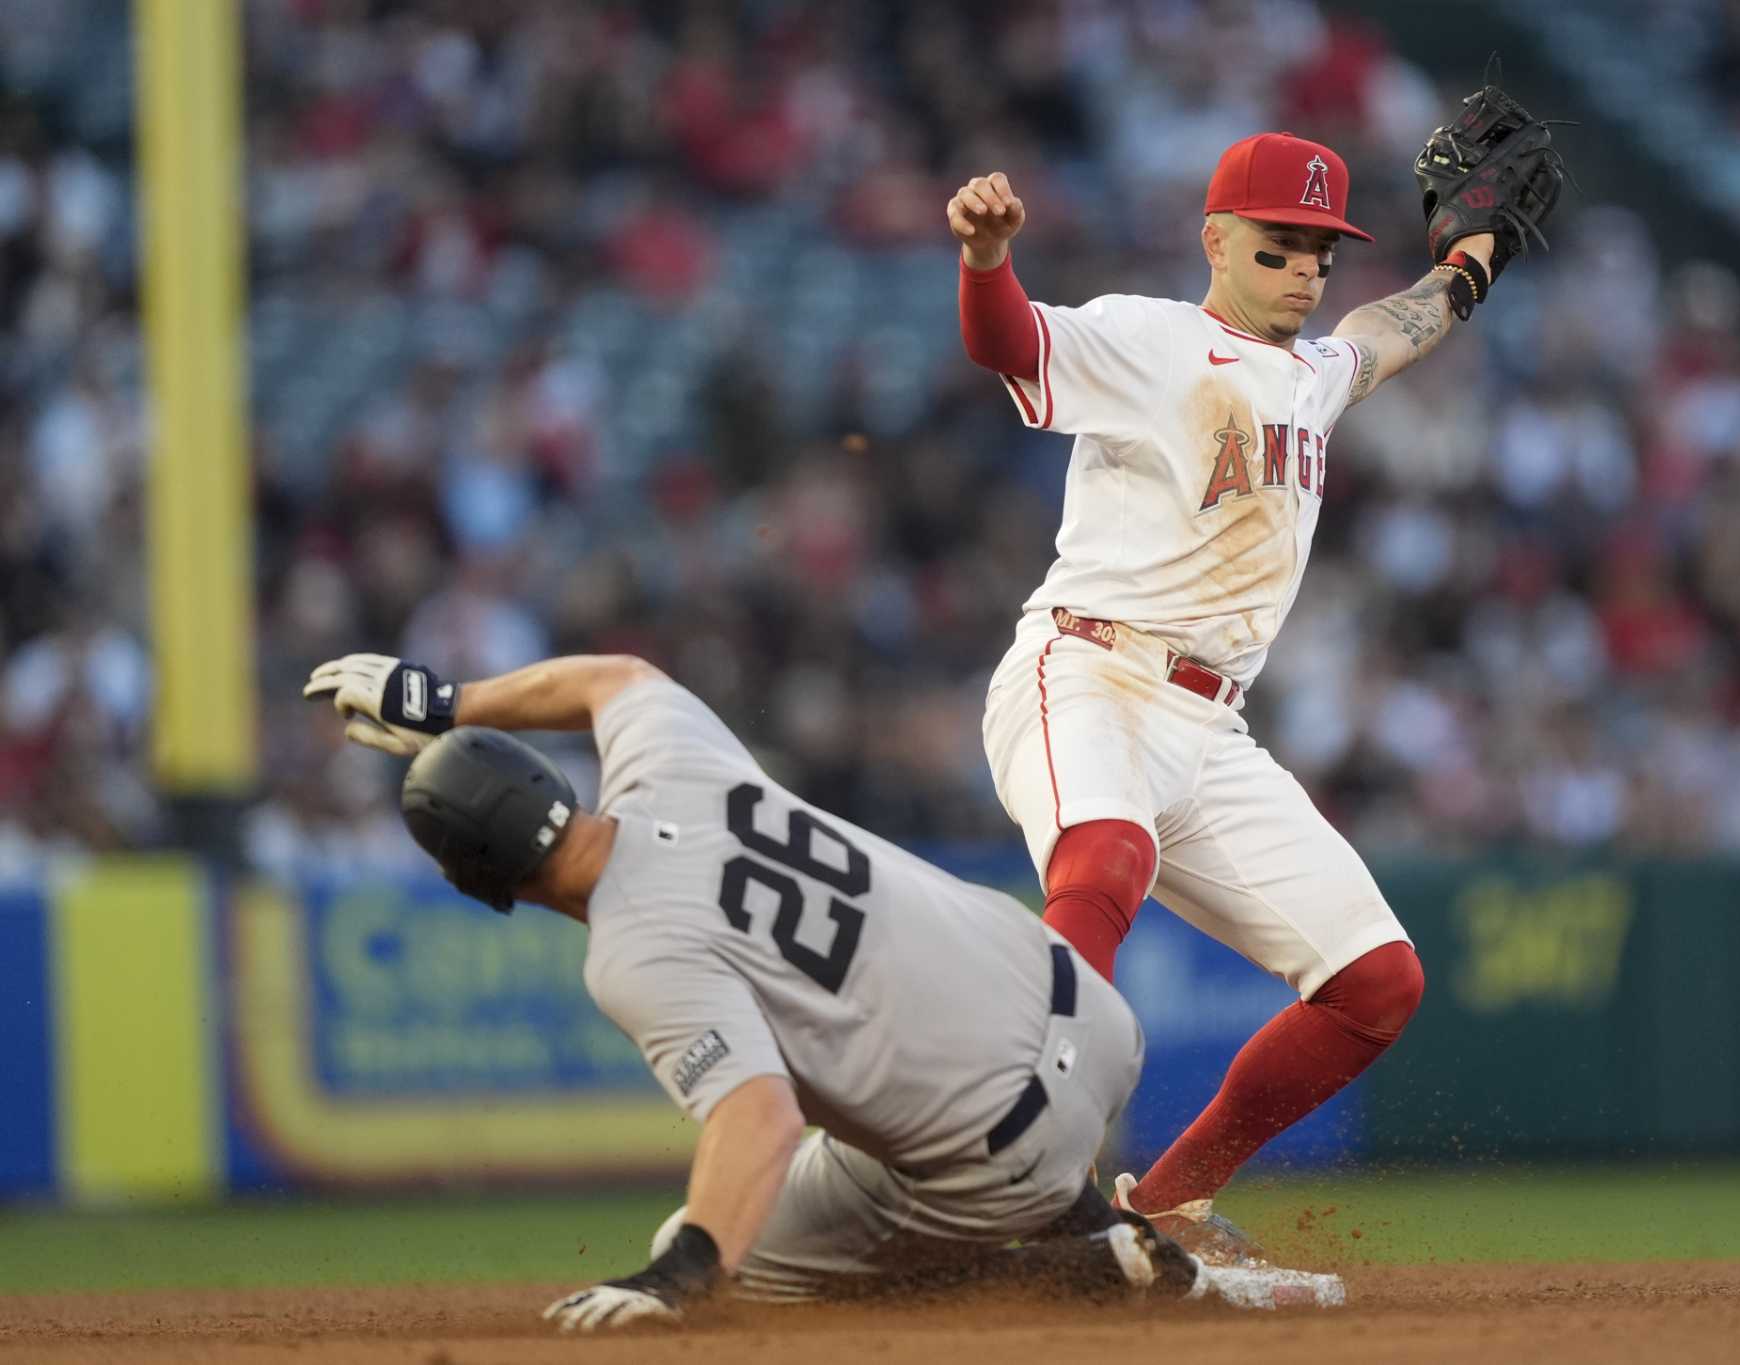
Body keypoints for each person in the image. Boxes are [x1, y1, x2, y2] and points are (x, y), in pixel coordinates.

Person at [949, 133, 1499, 1254]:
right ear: (1215, 240)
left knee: (1375, 982)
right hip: (1088, 669)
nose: (1302, 268)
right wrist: (986, 262)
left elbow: (1397, 325)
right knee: (1102, 860)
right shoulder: (1148, 337)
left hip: (1209, 726)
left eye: (1318, 251)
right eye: (1275, 247)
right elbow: (1007, 343)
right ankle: (1013, 1192)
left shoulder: (1314, 373)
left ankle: (1157, 1205)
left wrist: (1475, 257)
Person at [300, 650, 1195, 1328]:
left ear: (481, 886)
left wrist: (682, 1273)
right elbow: (616, 677)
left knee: (737, 1255)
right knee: (899, 1075)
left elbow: (760, 1117)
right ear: (551, 780)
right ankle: (1084, 1223)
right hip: (1099, 1017)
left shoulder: (633, 949)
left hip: (1007, 1150)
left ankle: (1071, 1272)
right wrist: (448, 702)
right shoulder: (672, 764)